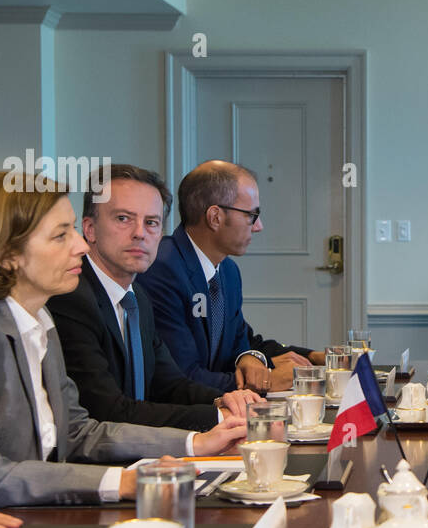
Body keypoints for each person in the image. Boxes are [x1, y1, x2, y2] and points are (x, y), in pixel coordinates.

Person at [0, 171, 245, 528]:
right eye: (62, 235)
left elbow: (78, 432)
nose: (81, 245)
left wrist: (195, 444)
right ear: (7, 254)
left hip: (22, 519)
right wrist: (121, 482)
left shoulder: (38, 317)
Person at [47, 165, 262, 430]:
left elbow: (170, 383)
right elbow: (107, 410)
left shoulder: (137, 297)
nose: (140, 233)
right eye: (123, 219)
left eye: (151, 222)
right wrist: (218, 417)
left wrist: (225, 400)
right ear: (89, 229)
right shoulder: (71, 298)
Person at [136, 160, 319, 393]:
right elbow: (181, 376)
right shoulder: (162, 270)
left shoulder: (228, 271)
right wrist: (267, 382)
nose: (258, 226)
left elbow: (240, 344)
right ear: (215, 217)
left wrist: (259, 357)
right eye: (252, 215)